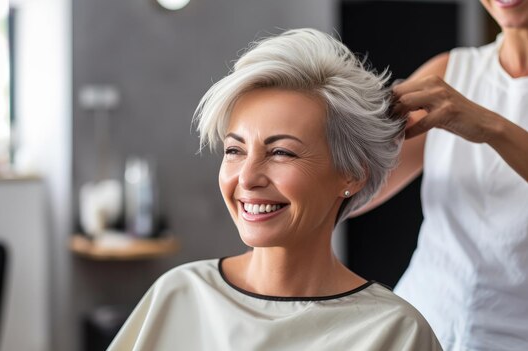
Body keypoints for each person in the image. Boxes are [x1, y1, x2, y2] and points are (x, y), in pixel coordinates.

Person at [107, 28, 441, 351]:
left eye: (281, 152)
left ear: (351, 174)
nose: (248, 178)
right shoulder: (180, 294)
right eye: (234, 151)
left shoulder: (394, 332)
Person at [353, 1, 528, 350]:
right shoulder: (451, 71)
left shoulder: (454, 97)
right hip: (418, 326)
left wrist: (489, 126)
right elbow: (359, 186)